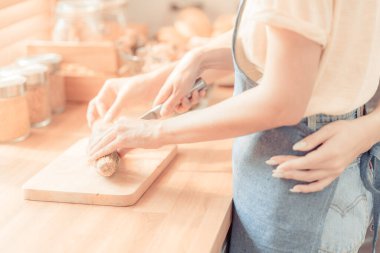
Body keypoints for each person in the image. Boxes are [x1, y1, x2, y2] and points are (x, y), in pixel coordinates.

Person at [87, 0, 380, 252]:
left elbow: (282, 101)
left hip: (301, 187)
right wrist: (190, 63)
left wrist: (155, 131)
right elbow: (294, 42)